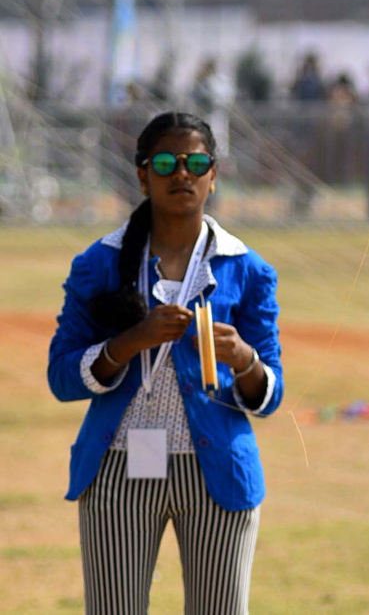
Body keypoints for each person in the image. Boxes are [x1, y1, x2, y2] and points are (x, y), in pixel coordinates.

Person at [48, 112, 284, 615]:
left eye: (197, 162)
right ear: (141, 175)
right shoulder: (99, 263)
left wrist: (243, 358)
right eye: (165, 162)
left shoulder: (249, 269)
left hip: (218, 471)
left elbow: (272, 394)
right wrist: (130, 342)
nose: (182, 173)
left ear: (214, 175)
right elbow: (62, 376)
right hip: (118, 468)